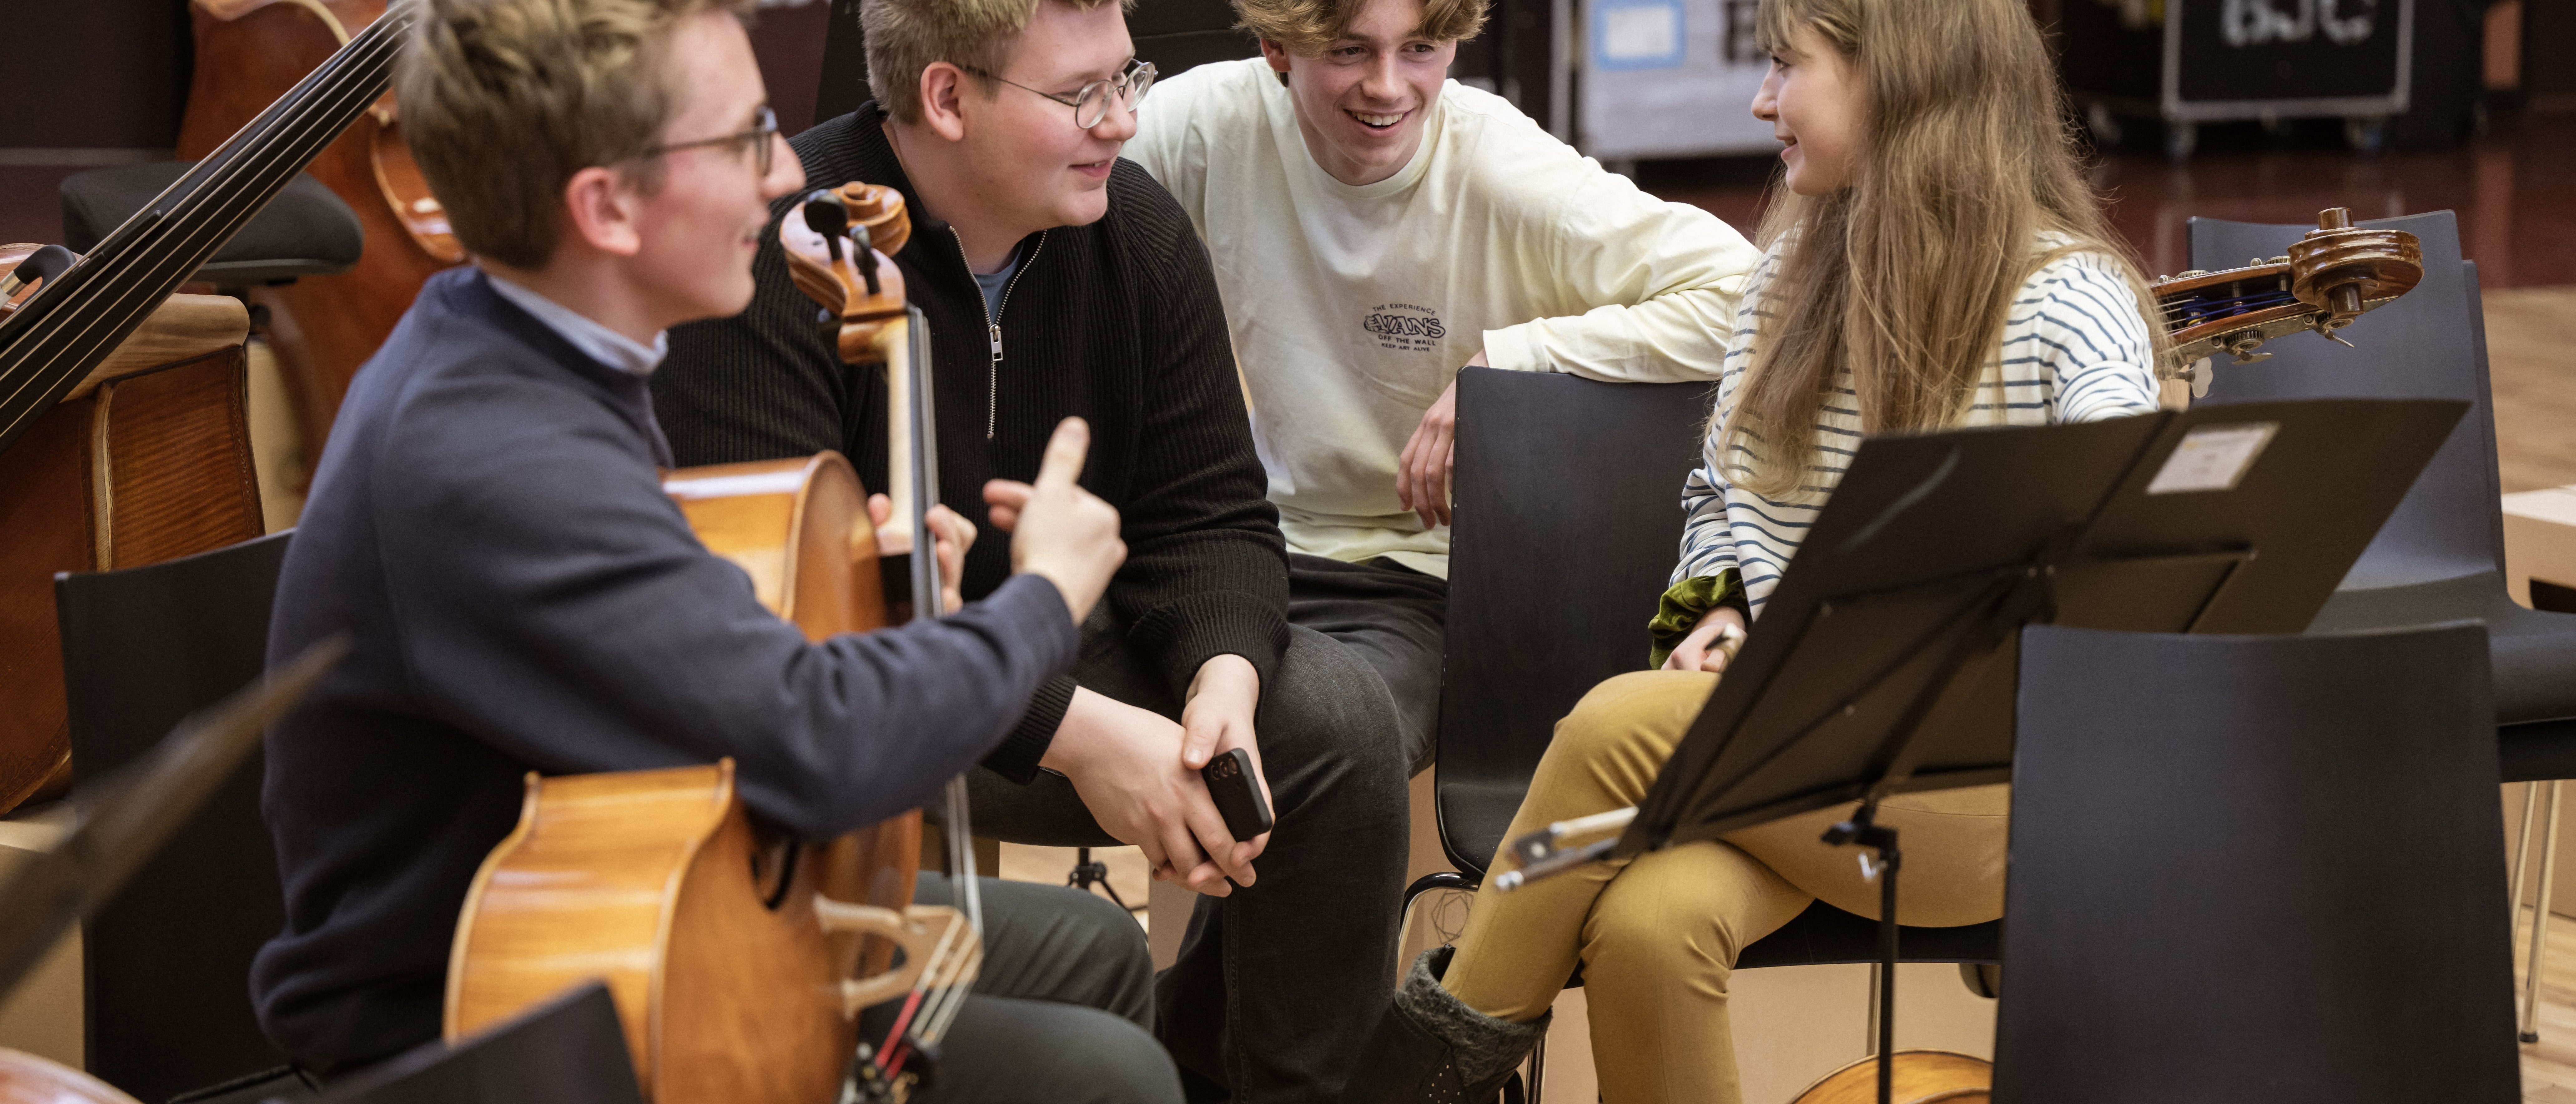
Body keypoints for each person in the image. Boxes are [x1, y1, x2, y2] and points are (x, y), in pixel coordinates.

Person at [252, 2, 1178, 1101]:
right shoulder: (492, 454)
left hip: (653, 888)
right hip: (501, 1015)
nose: (782, 170)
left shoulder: (542, 346)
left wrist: (884, 604)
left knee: (1096, 946)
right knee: (1106, 1076)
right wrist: (1041, 596)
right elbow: (820, 745)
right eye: (742, 137)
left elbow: (665, 658)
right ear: (606, 207)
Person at [1338, 0, 2169, 1099]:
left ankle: (1414, 1077)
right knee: (1645, 921)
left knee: (1607, 726)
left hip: (1980, 790)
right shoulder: (1785, 280)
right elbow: (1718, 498)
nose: (1760, 98)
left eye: (1786, 67)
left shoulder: (2071, 297)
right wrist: (1715, 613)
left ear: (1900, 78)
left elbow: (2130, 557)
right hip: (1788, 768)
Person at [646, 0, 1412, 1097]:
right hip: (869, 683)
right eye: (1080, 96)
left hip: (1050, 639)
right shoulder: (785, 249)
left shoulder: (1134, 232)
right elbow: (781, 631)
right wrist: (1077, 732)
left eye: (1128, 78)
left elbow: (1210, 511)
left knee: (1330, 727)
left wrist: (1222, 674)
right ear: (947, 97)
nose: (1124, 122)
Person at [1122, 0, 1760, 771]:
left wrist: (1517, 357)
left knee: (1317, 749)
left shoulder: (1504, 169)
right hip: (1250, 542)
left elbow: (1746, 295)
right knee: (1060, 701)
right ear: (1278, 47)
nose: (1388, 87)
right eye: (1352, 51)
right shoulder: (1201, 122)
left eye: (1420, 48)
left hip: (1422, 570)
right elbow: (1057, 180)